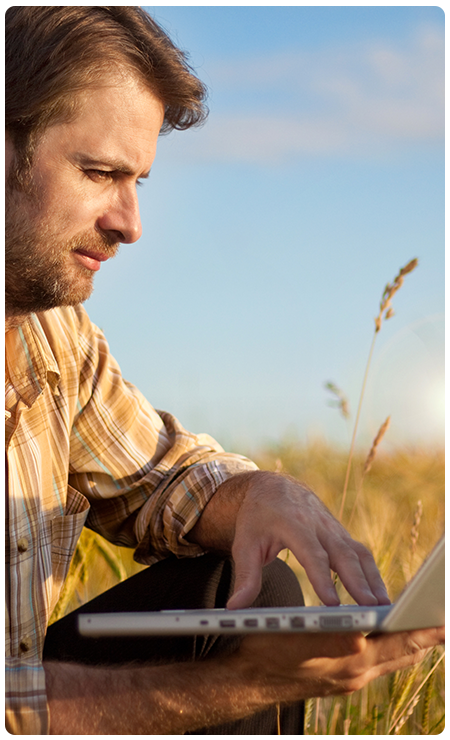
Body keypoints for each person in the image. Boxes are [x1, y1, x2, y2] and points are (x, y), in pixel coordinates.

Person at [3, 6, 445, 738]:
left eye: (138, 179)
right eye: (99, 172)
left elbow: (158, 474)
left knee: (246, 586)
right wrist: (236, 686)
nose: (130, 222)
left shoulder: (54, 336)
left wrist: (258, 496)